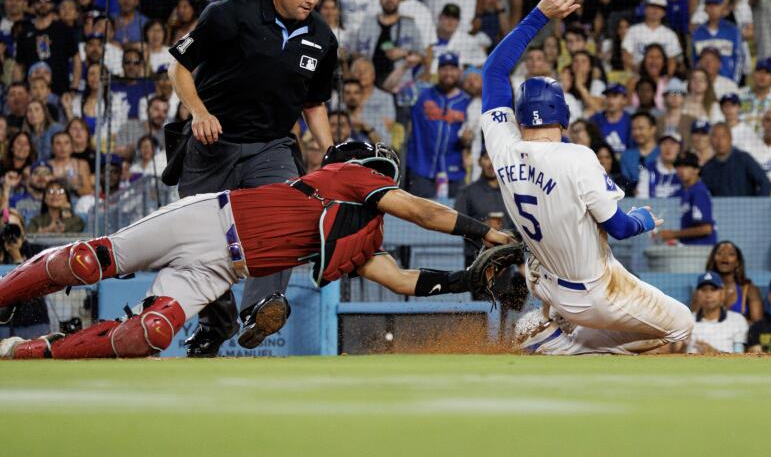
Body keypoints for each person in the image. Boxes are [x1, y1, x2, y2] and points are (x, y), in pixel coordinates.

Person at [0, 142, 513, 360]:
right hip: (208, 218)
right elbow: (423, 212)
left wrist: (470, 278)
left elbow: (401, 280)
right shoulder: (346, 176)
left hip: (222, 266)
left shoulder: (366, 235)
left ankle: (26, 351)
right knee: (93, 261)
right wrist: (484, 234)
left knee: (149, 335)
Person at [482, 0, 693, 356]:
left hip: (544, 282)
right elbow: (620, 228)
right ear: (563, 115)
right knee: (682, 327)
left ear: (519, 116)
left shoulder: (502, 147)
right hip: (593, 293)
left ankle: (551, 333)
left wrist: (539, 15)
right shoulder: (578, 157)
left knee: (542, 310)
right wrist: (643, 219)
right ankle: (572, 349)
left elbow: (494, 72)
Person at [167, 0, 338, 357]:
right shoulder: (230, 14)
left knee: (286, 214)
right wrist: (200, 112)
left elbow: (313, 105)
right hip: (213, 142)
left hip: (272, 144)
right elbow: (178, 67)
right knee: (196, 241)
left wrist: (332, 156)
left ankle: (261, 308)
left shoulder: (323, 38)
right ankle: (215, 324)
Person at [407, 53, 470, 199]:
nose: (448, 73)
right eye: (444, 69)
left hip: (455, 169)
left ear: (459, 72)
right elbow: (391, 87)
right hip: (421, 166)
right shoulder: (422, 94)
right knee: (419, 217)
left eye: (452, 69)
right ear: (438, 72)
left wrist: (468, 142)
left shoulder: (467, 101)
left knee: (454, 216)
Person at [454, 149, 513, 265]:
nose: (491, 164)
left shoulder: (510, 193)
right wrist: (482, 227)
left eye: (495, 159)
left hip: (505, 261)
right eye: (487, 158)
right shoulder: (467, 193)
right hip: (476, 260)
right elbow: (457, 224)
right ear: (479, 161)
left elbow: (517, 228)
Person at [0, 209, 50, 343]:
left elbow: (40, 283)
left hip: (34, 321)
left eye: (15, 228)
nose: (10, 233)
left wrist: (17, 258)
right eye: (5, 228)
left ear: (23, 230)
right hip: (2, 325)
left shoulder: (36, 251)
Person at [674, 271, 749, 354]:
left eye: (713, 289)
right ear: (697, 294)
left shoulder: (737, 320)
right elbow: (674, 355)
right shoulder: (686, 320)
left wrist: (714, 353)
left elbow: (739, 357)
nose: (708, 295)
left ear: (722, 293)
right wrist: (684, 346)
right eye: (703, 290)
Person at [655, 152, 716, 245]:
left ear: (696, 170)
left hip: (702, 248)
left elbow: (706, 229)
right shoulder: (681, 192)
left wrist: (672, 234)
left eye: (686, 166)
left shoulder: (699, 191)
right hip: (689, 248)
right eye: (678, 166)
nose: (681, 170)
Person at [698, 240, 763, 323]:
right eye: (720, 253)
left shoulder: (750, 290)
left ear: (737, 262)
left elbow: (758, 325)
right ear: (713, 259)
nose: (724, 257)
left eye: (731, 254)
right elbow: (695, 321)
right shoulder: (701, 290)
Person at [700, 123, 770, 197]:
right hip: (720, 207)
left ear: (730, 138)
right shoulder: (708, 167)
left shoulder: (744, 159)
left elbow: (764, 183)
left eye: (723, 136)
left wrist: (759, 205)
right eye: (715, 136)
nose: (719, 141)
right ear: (710, 140)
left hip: (746, 207)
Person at [621, 0, 681, 75]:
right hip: (637, 76)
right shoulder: (633, 30)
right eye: (652, 6)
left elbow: (672, 61)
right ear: (645, 9)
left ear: (664, 13)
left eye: (659, 8)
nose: (655, 10)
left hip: (662, 79)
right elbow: (626, 57)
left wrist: (666, 80)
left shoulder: (670, 34)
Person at [691, 0, 742, 83]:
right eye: (709, 5)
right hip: (704, 83)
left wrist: (734, 81)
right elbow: (695, 61)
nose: (712, 9)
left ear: (723, 8)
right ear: (705, 9)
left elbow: (739, 58)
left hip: (727, 81)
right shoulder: (697, 33)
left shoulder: (732, 30)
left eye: (716, 5)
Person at [619, 111, 659, 191]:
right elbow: (626, 182)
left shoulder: (663, 153)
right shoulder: (626, 156)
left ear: (653, 129)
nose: (637, 132)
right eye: (634, 129)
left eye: (641, 128)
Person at [636, 132, 682, 199]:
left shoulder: (686, 170)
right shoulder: (648, 170)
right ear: (659, 148)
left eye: (672, 144)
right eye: (664, 144)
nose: (668, 147)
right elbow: (641, 198)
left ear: (679, 148)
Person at [590, 84, 633, 154]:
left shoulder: (631, 120)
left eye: (615, 96)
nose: (610, 100)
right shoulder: (595, 120)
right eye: (607, 96)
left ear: (624, 100)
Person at [656, 78, 695, 144]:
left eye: (678, 93)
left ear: (683, 98)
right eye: (671, 93)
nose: (675, 96)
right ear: (665, 98)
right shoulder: (657, 121)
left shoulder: (692, 120)